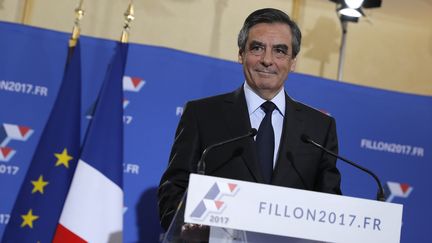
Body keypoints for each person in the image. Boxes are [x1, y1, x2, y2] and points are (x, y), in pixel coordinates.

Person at [158, 8, 342, 231]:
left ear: (293, 61)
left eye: (280, 51)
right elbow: (174, 189)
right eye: (257, 48)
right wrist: (186, 227)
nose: (267, 60)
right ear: (240, 54)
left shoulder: (319, 128)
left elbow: (330, 205)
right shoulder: (202, 115)